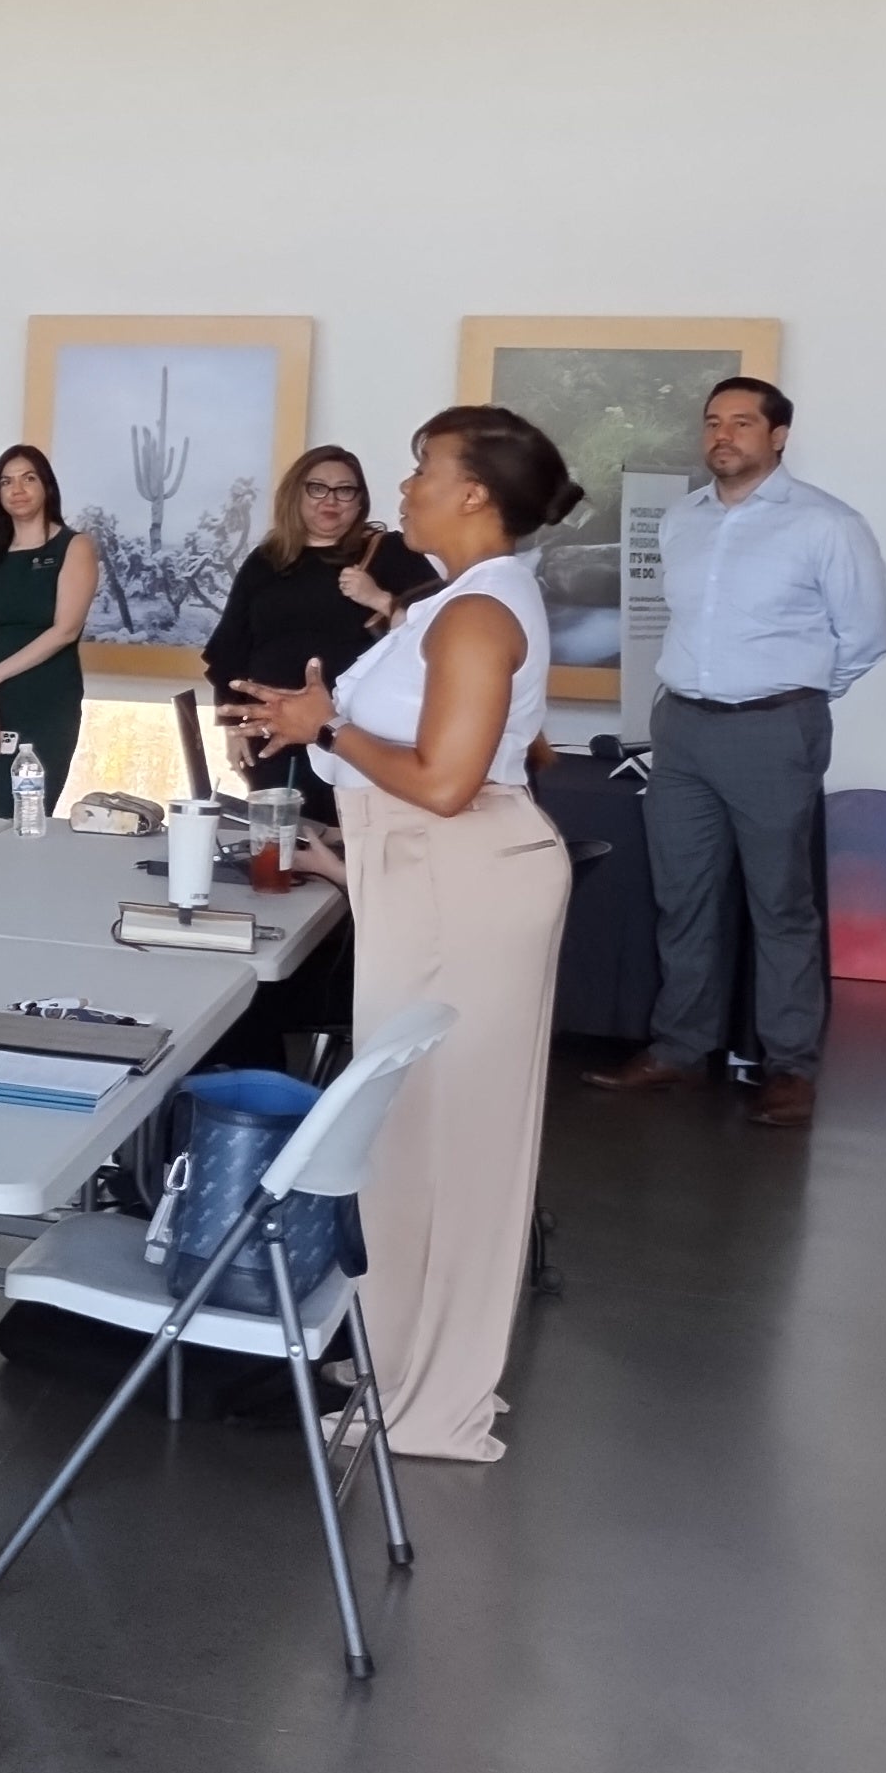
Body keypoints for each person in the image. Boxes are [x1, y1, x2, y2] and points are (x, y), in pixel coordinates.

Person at [226, 407, 581, 1466]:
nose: (407, 485)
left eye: (425, 469)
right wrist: (343, 849)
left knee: (450, 1143)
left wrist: (322, 729)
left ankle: (434, 1396)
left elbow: (446, 782)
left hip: (465, 889)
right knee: (408, 1141)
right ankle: (397, 1362)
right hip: (431, 880)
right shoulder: (455, 605)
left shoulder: (478, 614)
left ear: (474, 493)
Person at [583, 377, 886, 1130]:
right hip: (682, 728)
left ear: (778, 435)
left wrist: (792, 699)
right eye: (713, 422)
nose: (724, 436)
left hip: (773, 729)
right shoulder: (681, 521)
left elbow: (866, 638)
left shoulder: (827, 525)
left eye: (743, 423)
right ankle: (678, 1049)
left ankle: (789, 1067)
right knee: (681, 897)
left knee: (779, 905)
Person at [201, 448, 440, 819]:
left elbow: (439, 630)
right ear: (295, 493)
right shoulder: (268, 560)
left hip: (357, 737)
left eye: (346, 490)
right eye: (318, 488)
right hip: (273, 736)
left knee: (350, 844)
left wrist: (378, 598)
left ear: (360, 500)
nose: (331, 500)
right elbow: (229, 652)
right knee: (286, 849)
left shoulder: (389, 553)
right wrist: (234, 728)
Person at [0, 446, 96, 821]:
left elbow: (65, 631)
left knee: (32, 814)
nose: (16, 489)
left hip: (47, 698)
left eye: (28, 478)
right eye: (6, 481)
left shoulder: (75, 546)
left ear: (46, 488)